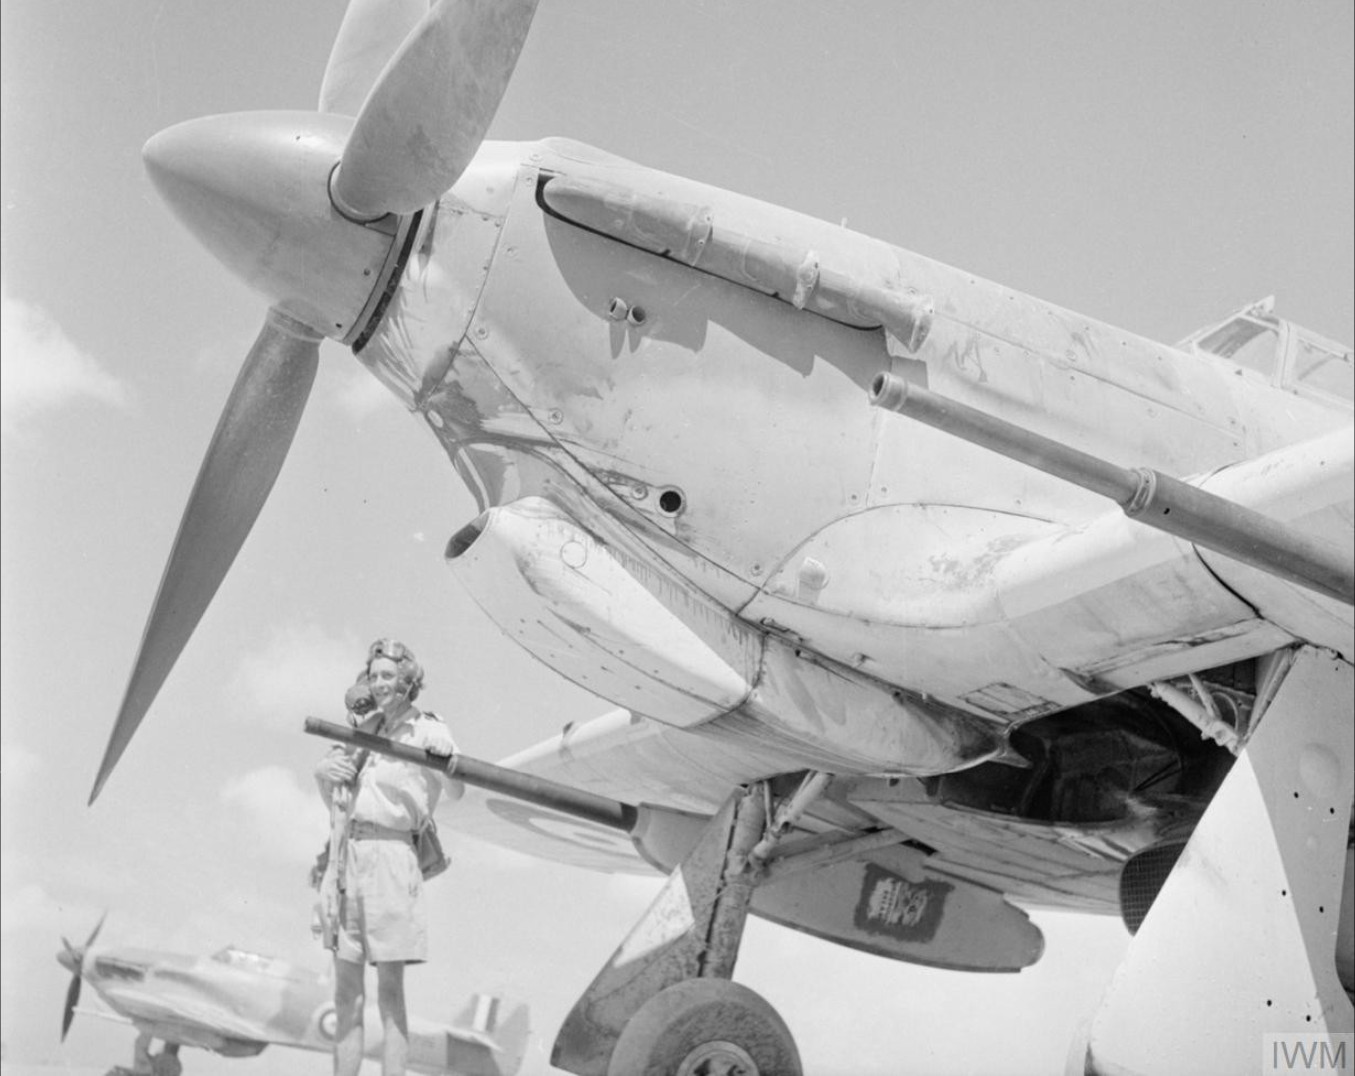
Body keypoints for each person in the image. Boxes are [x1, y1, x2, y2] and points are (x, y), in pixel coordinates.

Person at [314, 638, 461, 1076]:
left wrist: (445, 763)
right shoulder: (366, 730)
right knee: (345, 994)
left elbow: (457, 789)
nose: (379, 684)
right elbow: (336, 798)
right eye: (373, 676)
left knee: (390, 992)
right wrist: (322, 774)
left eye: (388, 676)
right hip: (349, 856)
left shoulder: (430, 729)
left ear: (408, 680)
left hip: (393, 857)